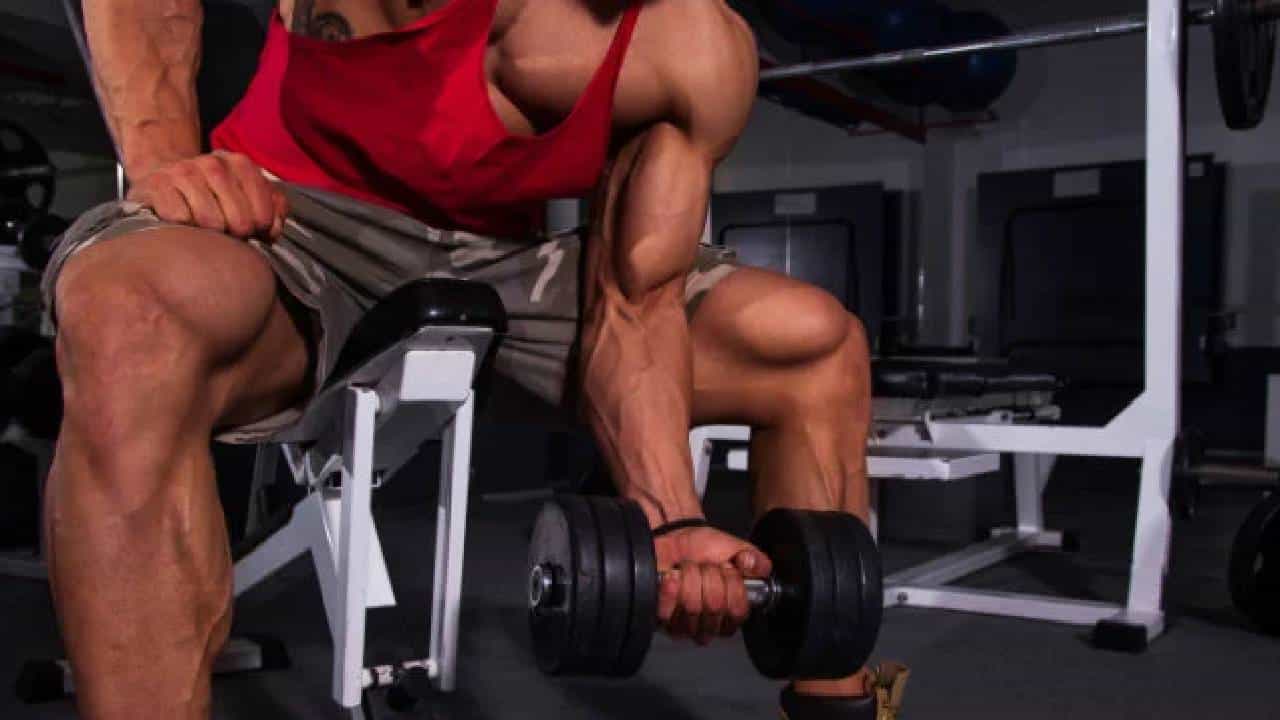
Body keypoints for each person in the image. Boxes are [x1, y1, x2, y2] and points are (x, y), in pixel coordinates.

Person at [46, 1, 905, 718]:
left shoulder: (687, 42)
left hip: (509, 265)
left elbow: (635, 303)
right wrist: (165, 156)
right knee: (129, 313)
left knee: (809, 343)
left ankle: (838, 706)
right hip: (288, 216)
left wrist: (670, 520)